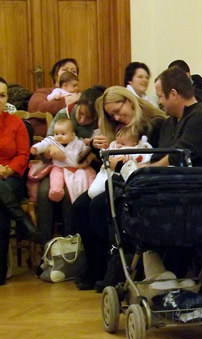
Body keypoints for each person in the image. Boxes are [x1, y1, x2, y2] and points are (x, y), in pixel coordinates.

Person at [72, 86, 167, 290]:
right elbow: (109, 161)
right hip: (117, 177)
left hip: (138, 181)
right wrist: (98, 148)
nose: (116, 117)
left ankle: (112, 268)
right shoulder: (117, 125)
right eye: (111, 115)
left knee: (99, 206)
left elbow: (156, 159)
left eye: (117, 111)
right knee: (80, 206)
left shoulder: (155, 124)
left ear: (129, 102)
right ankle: (95, 265)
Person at [35, 85, 105, 248]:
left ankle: (71, 244)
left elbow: (99, 156)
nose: (82, 120)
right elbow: (46, 144)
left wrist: (91, 156)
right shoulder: (64, 114)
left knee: (71, 195)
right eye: (81, 113)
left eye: (88, 118)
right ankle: (45, 245)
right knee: (44, 192)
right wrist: (49, 151)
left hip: (82, 171)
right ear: (77, 104)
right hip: (57, 167)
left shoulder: (100, 125)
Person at [152, 66, 202, 167]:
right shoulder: (169, 123)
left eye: (160, 96)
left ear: (173, 94)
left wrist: (149, 169)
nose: (159, 102)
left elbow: (180, 155)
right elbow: (158, 156)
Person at [0, 76, 34, 284]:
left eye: (2, 95)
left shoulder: (16, 123)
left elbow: (23, 155)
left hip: (12, 177)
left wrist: (7, 170)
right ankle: (21, 219)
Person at [30, 119, 95, 203]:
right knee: (55, 176)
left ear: (72, 135)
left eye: (63, 134)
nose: (59, 136)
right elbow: (43, 144)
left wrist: (88, 149)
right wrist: (36, 148)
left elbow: (86, 151)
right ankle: (56, 190)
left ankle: (91, 188)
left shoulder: (78, 143)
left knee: (88, 174)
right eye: (56, 133)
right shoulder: (52, 141)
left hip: (76, 167)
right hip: (59, 167)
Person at [87, 126, 152, 199]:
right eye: (118, 142)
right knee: (92, 192)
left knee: (98, 194)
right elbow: (104, 155)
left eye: (123, 144)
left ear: (134, 144)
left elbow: (140, 158)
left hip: (118, 176)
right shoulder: (114, 146)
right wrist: (104, 149)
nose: (118, 145)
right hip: (105, 172)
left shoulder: (135, 150)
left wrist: (128, 158)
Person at [28, 58, 81, 137]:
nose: (70, 73)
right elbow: (35, 107)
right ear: (56, 75)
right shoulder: (45, 92)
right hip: (50, 138)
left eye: (74, 71)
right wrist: (65, 101)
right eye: (65, 70)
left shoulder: (80, 94)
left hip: (76, 138)